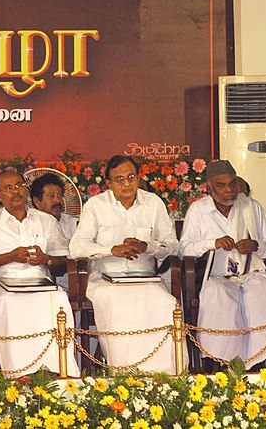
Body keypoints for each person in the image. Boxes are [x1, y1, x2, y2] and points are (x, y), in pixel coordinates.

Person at [69, 155, 182, 374]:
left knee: (165, 303)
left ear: (139, 178)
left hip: (146, 279)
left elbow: (173, 245)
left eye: (131, 177)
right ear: (109, 184)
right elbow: (77, 247)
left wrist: (147, 247)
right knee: (118, 304)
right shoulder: (96, 206)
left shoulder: (153, 203)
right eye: (119, 179)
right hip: (105, 281)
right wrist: (111, 250)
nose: (127, 183)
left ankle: (166, 375)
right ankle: (124, 374)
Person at [179, 160, 266, 369]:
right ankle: (221, 363)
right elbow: (184, 248)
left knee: (265, 291)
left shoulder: (251, 206)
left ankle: (260, 362)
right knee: (218, 297)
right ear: (209, 189)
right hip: (216, 276)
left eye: (232, 184)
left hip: (250, 273)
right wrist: (212, 243)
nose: (229, 190)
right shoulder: (198, 210)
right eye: (221, 185)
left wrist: (257, 244)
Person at [0, 170, 78, 376]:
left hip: (40, 282)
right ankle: (20, 374)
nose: (15, 192)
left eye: (18, 185)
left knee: (58, 298)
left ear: (26, 190)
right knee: (9, 303)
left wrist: (46, 258)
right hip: (2, 286)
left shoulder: (45, 221)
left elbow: (63, 261)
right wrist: (10, 256)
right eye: (8, 188)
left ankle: (59, 371)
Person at [30, 173, 77, 240]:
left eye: (59, 195)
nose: (57, 200)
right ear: (37, 201)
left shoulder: (73, 224)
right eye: (51, 196)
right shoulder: (30, 226)